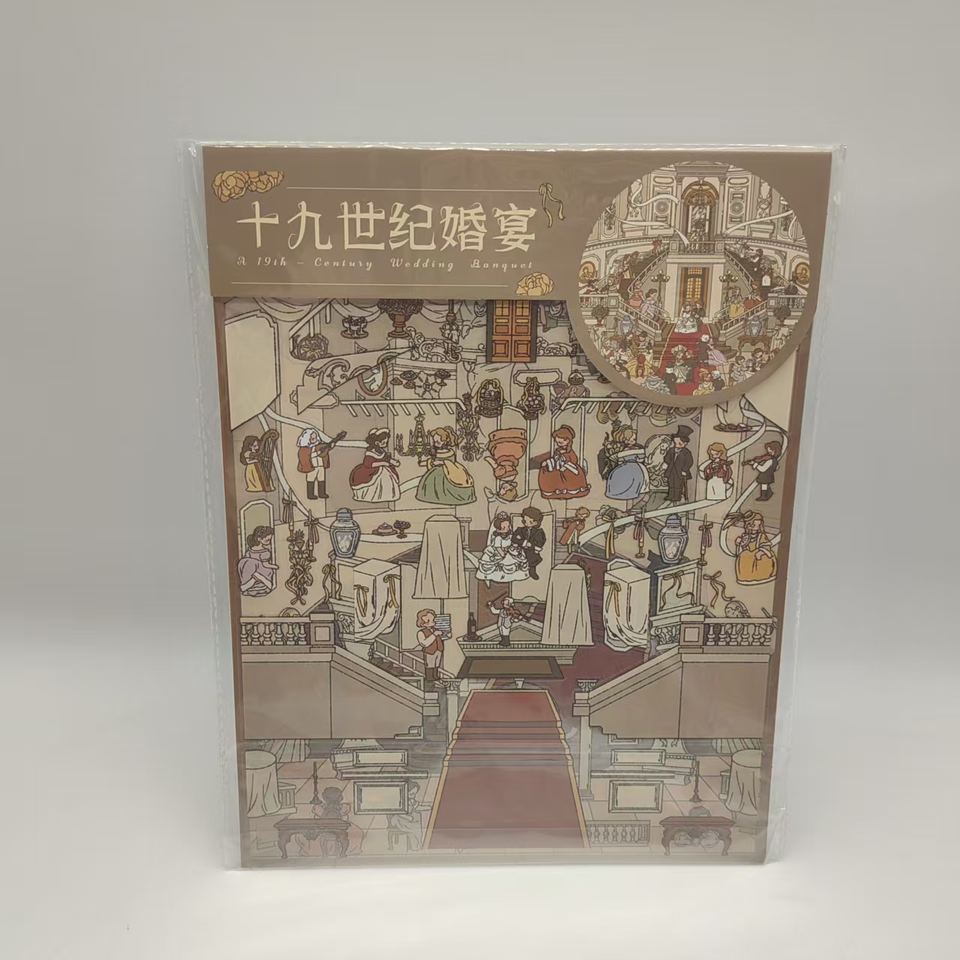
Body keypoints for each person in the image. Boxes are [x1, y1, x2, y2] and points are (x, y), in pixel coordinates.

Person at [416, 426, 476, 505]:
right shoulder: (436, 452)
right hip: (435, 474)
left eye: (438, 442)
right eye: (435, 441)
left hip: (450, 472)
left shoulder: (450, 452)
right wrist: (423, 462)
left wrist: (442, 463)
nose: (435, 444)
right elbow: (432, 461)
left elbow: (450, 463)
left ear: (445, 441)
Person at [538, 425, 590, 500]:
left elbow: (573, 461)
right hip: (557, 465)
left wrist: (564, 463)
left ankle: (566, 489)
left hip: (568, 468)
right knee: (545, 470)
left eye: (560, 442)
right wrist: (548, 462)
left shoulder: (570, 452)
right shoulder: (558, 451)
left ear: (567, 440)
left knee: (564, 473)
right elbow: (554, 459)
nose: (558, 444)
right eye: (557, 442)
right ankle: (552, 490)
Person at [349, 427, 401, 503]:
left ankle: (387, 495)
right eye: (383, 443)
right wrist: (383, 463)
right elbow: (369, 464)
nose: (385, 444)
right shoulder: (370, 453)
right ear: (376, 443)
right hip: (372, 471)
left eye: (386, 442)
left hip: (383, 469)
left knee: (388, 479)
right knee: (377, 481)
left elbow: (386, 458)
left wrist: (393, 462)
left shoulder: (381, 451)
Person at [602, 424, 649, 501]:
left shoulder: (637, 448)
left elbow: (641, 458)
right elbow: (618, 460)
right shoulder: (621, 450)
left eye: (634, 439)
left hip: (635, 468)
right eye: (631, 439)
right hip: (626, 469)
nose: (633, 441)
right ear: (625, 440)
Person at [476, 513, 528, 583]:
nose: (507, 529)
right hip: (500, 552)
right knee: (503, 561)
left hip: (509, 550)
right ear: (498, 529)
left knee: (516, 558)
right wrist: (502, 554)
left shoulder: (510, 536)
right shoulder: (498, 538)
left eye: (508, 526)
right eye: (503, 528)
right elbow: (498, 548)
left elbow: (513, 542)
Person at [296, 427, 345, 500]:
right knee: (310, 480)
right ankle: (310, 494)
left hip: (320, 466)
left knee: (321, 479)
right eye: (312, 438)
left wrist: (332, 445)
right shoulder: (304, 449)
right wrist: (317, 453)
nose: (315, 440)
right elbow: (304, 457)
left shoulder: (319, 445)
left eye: (315, 438)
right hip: (311, 467)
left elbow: (326, 449)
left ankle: (322, 493)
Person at [733, 511, 777, 585]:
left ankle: (762, 575)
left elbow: (766, 546)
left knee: (759, 558)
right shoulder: (745, 536)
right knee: (744, 555)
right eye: (753, 525)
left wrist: (761, 552)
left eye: (758, 525)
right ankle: (745, 576)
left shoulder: (761, 536)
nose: (755, 528)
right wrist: (739, 544)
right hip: (748, 559)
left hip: (760, 557)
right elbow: (740, 552)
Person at [237, 526, 277, 597]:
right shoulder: (250, 551)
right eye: (267, 540)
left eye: (270, 540)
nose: (269, 542)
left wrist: (274, 566)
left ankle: (256, 578)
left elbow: (265, 565)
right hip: (252, 570)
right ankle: (249, 582)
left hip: (262, 570)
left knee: (252, 563)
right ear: (259, 539)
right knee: (243, 562)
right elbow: (246, 564)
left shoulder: (265, 552)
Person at [511, 506, 546, 580]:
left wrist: (531, 545)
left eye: (529, 521)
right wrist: (523, 542)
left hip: (531, 551)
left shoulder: (539, 532)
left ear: (535, 522)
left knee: (532, 558)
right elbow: (513, 539)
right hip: (520, 549)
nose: (526, 523)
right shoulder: (520, 530)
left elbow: (540, 542)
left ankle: (532, 570)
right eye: (524, 521)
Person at [664, 424, 694, 503]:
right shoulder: (671, 450)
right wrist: (667, 463)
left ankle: (676, 496)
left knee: (678, 484)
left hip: (680, 472)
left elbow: (689, 462)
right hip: (671, 470)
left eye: (679, 443)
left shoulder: (686, 452)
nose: (677, 445)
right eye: (675, 443)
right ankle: (670, 495)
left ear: (685, 443)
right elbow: (667, 458)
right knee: (671, 483)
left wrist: (684, 470)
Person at [415, 609, 445, 684]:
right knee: (430, 665)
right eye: (430, 620)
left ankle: (435, 676)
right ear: (423, 623)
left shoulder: (435, 630)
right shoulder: (421, 633)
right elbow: (425, 644)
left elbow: (441, 638)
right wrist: (435, 634)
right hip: (430, 651)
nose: (433, 622)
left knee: (436, 664)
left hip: (438, 650)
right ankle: (429, 678)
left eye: (433, 620)